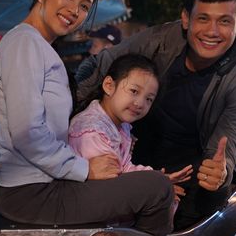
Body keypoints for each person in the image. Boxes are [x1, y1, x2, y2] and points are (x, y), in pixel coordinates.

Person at [0, 0, 175, 232]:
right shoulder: (25, 43)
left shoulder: (40, 47)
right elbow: (26, 133)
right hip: (30, 193)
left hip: (43, 185)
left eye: (85, 6)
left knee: (153, 181)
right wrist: (83, 169)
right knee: (157, 188)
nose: (74, 10)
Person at [75, 0, 236, 230]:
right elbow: (100, 68)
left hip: (188, 174)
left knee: (213, 191)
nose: (212, 32)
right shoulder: (160, 40)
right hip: (133, 157)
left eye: (225, 21)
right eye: (203, 18)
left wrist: (220, 169)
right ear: (186, 18)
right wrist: (61, 111)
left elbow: (225, 146)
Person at [68, 53, 192, 207]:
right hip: (91, 204)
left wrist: (159, 178)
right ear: (109, 85)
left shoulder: (119, 124)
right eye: (134, 91)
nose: (140, 103)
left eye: (149, 99)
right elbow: (110, 181)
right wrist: (155, 185)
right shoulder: (92, 130)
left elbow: (124, 167)